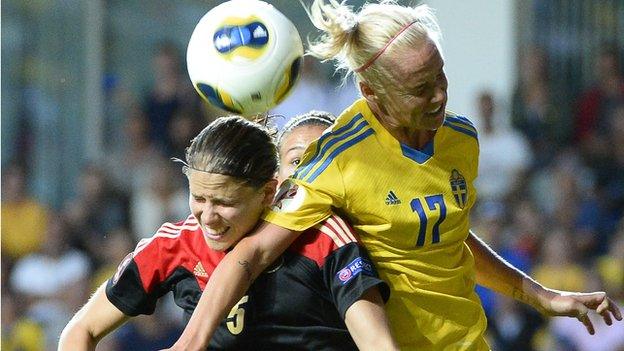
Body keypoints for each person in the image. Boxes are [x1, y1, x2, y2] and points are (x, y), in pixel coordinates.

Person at [172, 1, 623, 350]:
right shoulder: (338, 160)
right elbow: (250, 254)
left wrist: (539, 295)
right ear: (372, 92)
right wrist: (192, 340)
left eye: (440, 76)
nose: (440, 96)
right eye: (420, 88)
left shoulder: (460, 138)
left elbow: (449, 235)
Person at [59, 115, 397, 351]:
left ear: (268, 192)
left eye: (224, 202)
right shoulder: (174, 245)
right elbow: (80, 331)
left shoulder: (324, 238)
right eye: (199, 198)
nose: (208, 217)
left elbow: (378, 345)